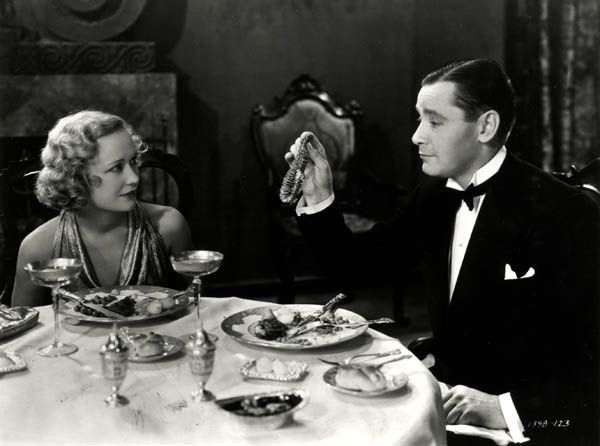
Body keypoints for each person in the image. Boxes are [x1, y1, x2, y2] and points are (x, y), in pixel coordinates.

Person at [286, 59, 599, 445]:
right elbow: (354, 269)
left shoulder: (565, 212)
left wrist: (506, 408)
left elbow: (588, 364)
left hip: (529, 425)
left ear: (485, 126)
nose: (416, 136)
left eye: (434, 121)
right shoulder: (434, 195)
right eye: (419, 119)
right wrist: (320, 196)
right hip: (447, 395)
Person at [11, 110, 193, 307]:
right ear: (77, 176)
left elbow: (200, 306)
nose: (134, 178)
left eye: (133, 162)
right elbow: (21, 322)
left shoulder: (167, 226)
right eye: (116, 168)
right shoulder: (38, 247)